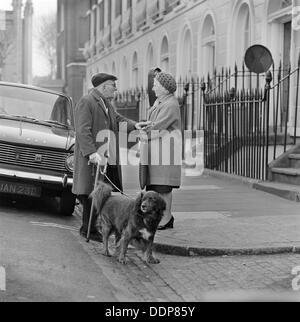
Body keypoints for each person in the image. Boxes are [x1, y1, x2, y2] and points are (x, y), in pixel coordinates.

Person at [72, 73, 147, 242]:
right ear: (104, 86)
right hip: (92, 159)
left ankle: (93, 228)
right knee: (91, 194)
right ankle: (88, 230)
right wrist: (91, 153)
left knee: (103, 193)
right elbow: (82, 130)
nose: (116, 88)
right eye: (113, 85)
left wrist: (135, 125)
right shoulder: (87, 101)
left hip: (107, 158)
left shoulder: (106, 104)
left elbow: (118, 120)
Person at [141, 72, 182, 230]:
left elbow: (157, 126)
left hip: (166, 152)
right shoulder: (160, 102)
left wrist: (142, 132)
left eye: (156, 85)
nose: (153, 88)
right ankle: (158, 218)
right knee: (157, 186)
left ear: (165, 88)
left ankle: (166, 219)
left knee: (164, 186)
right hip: (158, 151)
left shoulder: (170, 104)